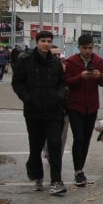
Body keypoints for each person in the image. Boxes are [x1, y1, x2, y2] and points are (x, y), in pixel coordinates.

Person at [11, 31, 67, 195]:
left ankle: (56, 180)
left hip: (54, 112)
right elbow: (17, 83)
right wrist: (27, 99)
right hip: (34, 112)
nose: (46, 44)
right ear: (37, 42)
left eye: (49, 41)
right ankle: (37, 175)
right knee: (35, 147)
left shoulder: (55, 63)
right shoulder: (26, 61)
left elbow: (62, 84)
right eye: (43, 41)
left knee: (55, 145)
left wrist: (59, 96)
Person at [64, 35, 103, 186]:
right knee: (79, 137)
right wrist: (80, 77)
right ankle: (78, 170)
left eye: (90, 48)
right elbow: (67, 82)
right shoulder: (71, 61)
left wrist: (98, 75)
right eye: (85, 48)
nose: (88, 51)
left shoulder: (99, 61)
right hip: (75, 106)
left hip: (92, 106)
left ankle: (80, 167)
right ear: (79, 47)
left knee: (86, 139)